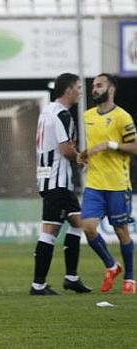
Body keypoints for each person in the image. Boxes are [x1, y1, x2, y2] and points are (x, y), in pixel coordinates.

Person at [30, 72, 92, 295]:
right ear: (68, 90)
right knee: (60, 229)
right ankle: (40, 284)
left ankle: (70, 277)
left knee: (71, 226)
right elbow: (66, 150)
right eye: (78, 87)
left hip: (48, 179)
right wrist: (82, 158)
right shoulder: (62, 114)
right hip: (58, 180)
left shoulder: (47, 112)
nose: (80, 91)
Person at [78, 73, 137, 295]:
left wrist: (109, 144)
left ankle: (130, 279)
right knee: (88, 227)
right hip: (94, 183)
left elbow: (135, 147)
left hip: (118, 184)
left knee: (121, 231)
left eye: (99, 85)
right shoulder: (87, 116)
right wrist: (83, 155)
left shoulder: (123, 117)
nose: (94, 89)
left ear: (111, 89)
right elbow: (92, 147)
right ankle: (112, 265)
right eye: (93, 85)